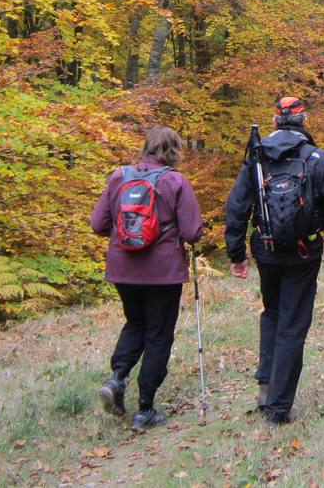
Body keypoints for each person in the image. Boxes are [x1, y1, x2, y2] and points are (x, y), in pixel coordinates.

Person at [224, 96, 324, 424]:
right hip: (303, 252)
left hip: (265, 250)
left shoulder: (257, 159)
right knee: (293, 324)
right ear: (304, 120)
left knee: (273, 313)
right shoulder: (318, 159)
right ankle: (278, 408)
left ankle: (267, 386)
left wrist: (236, 253)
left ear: (274, 121)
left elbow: (237, 206)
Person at [89, 125, 203, 430]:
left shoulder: (119, 177)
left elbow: (98, 224)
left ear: (146, 147)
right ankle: (145, 409)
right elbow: (193, 232)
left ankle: (117, 380)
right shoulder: (176, 181)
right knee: (158, 334)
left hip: (123, 269)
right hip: (163, 272)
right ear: (174, 150)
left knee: (135, 323)